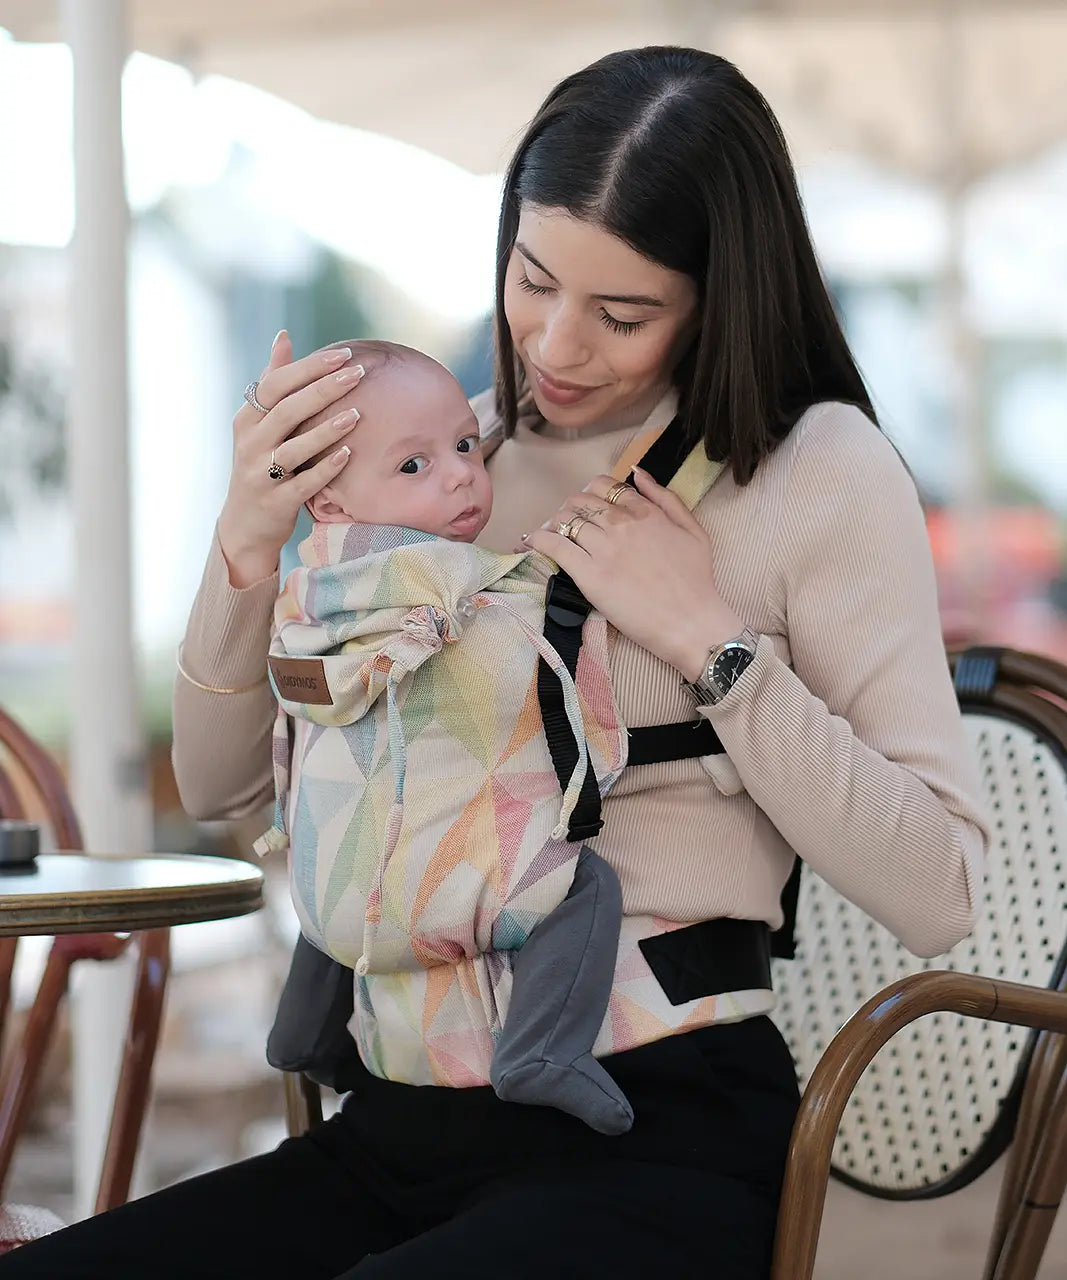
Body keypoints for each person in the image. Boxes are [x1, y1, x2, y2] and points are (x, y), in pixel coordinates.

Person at [2, 46, 990, 1280]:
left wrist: (709, 645)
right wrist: (243, 547)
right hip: (398, 1120)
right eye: (531, 280)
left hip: (654, 1132)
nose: (554, 346)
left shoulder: (813, 471)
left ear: (720, 297)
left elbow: (941, 886)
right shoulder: (441, 455)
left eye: (621, 314)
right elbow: (222, 791)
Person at [258, 338, 641, 1135]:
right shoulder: (450, 580)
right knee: (583, 887)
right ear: (327, 501)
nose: (461, 473)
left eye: (465, 445)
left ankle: (304, 1031)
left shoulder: (304, 593)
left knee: (337, 871)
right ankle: (542, 1050)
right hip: (445, 887)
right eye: (413, 467)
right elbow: (524, 644)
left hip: (338, 901)